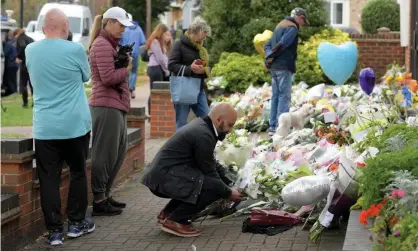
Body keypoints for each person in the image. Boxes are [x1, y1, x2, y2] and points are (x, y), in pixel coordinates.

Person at [25, 8, 94, 246]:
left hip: (45, 127)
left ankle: (54, 231)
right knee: (77, 172)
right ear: (66, 28)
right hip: (75, 125)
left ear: (44, 28)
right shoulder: (75, 49)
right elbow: (86, 76)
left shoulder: (30, 50)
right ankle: (76, 223)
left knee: (48, 178)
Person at [141, 103, 245, 237]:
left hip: (164, 175)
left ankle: (167, 214)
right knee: (212, 188)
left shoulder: (203, 127)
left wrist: (231, 181)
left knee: (202, 182)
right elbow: (210, 172)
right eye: (230, 125)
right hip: (164, 179)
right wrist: (228, 192)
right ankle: (176, 220)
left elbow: (211, 162)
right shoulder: (204, 135)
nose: (230, 130)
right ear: (219, 120)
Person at [87, 6, 133, 217]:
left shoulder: (109, 44)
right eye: (121, 25)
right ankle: (99, 199)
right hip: (106, 106)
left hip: (114, 104)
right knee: (104, 154)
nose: (123, 30)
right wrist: (126, 69)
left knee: (118, 152)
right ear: (110, 22)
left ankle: (104, 194)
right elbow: (107, 78)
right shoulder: (102, 45)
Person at [264, 8, 309, 136]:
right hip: (283, 66)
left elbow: (267, 44)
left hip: (274, 67)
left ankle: (272, 126)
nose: (303, 23)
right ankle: (281, 128)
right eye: (303, 20)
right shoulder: (292, 28)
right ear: (299, 17)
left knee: (276, 96)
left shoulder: (280, 25)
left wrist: (268, 56)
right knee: (284, 96)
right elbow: (283, 44)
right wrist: (272, 55)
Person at [168, 17, 211, 130]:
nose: (203, 39)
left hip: (199, 89)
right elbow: (171, 65)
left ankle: (204, 145)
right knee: (181, 124)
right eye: (201, 36)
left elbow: (207, 66)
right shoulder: (179, 44)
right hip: (183, 90)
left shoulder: (202, 46)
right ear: (193, 33)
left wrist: (204, 70)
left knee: (208, 120)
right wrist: (189, 68)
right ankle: (181, 147)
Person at [146, 23, 172, 118]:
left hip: (158, 68)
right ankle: (151, 113)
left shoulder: (160, 43)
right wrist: (167, 70)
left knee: (157, 90)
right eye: (165, 33)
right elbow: (160, 58)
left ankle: (154, 112)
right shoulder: (155, 42)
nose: (166, 36)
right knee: (155, 90)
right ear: (161, 32)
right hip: (155, 68)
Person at [120, 19, 146, 99]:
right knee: (134, 71)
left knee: (126, 71)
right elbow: (143, 41)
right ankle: (132, 88)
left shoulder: (125, 29)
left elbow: (120, 41)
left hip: (125, 53)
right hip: (135, 54)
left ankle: (126, 89)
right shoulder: (138, 29)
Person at [15, 28, 34, 108]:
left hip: (24, 64)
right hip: (32, 63)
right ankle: (35, 102)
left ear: (17, 34)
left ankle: (25, 103)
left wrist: (19, 56)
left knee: (23, 83)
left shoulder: (20, 38)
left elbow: (22, 46)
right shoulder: (31, 39)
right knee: (32, 84)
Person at [3, 31, 19, 96]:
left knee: (9, 79)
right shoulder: (15, 42)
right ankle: (15, 91)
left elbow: (5, 53)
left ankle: (12, 92)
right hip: (15, 64)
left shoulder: (8, 44)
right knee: (14, 79)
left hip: (10, 64)